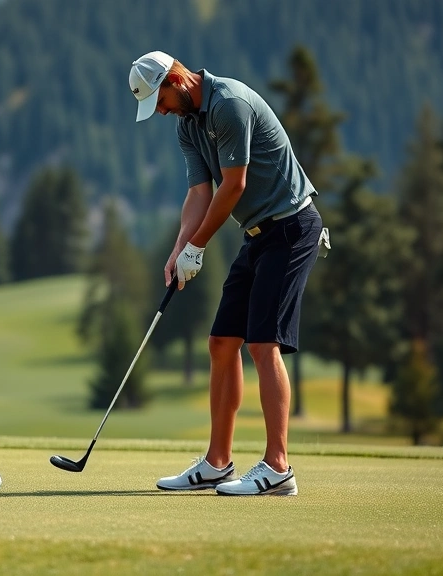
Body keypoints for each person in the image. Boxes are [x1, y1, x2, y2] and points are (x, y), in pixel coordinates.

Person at [129, 50, 326, 496]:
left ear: (175, 80)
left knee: (262, 344)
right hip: (257, 235)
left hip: (292, 228)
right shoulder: (187, 125)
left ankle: (278, 468)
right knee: (221, 343)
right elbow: (199, 194)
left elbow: (234, 185)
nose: (160, 111)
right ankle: (217, 463)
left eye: (160, 101)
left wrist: (198, 247)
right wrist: (179, 249)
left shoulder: (229, 104)